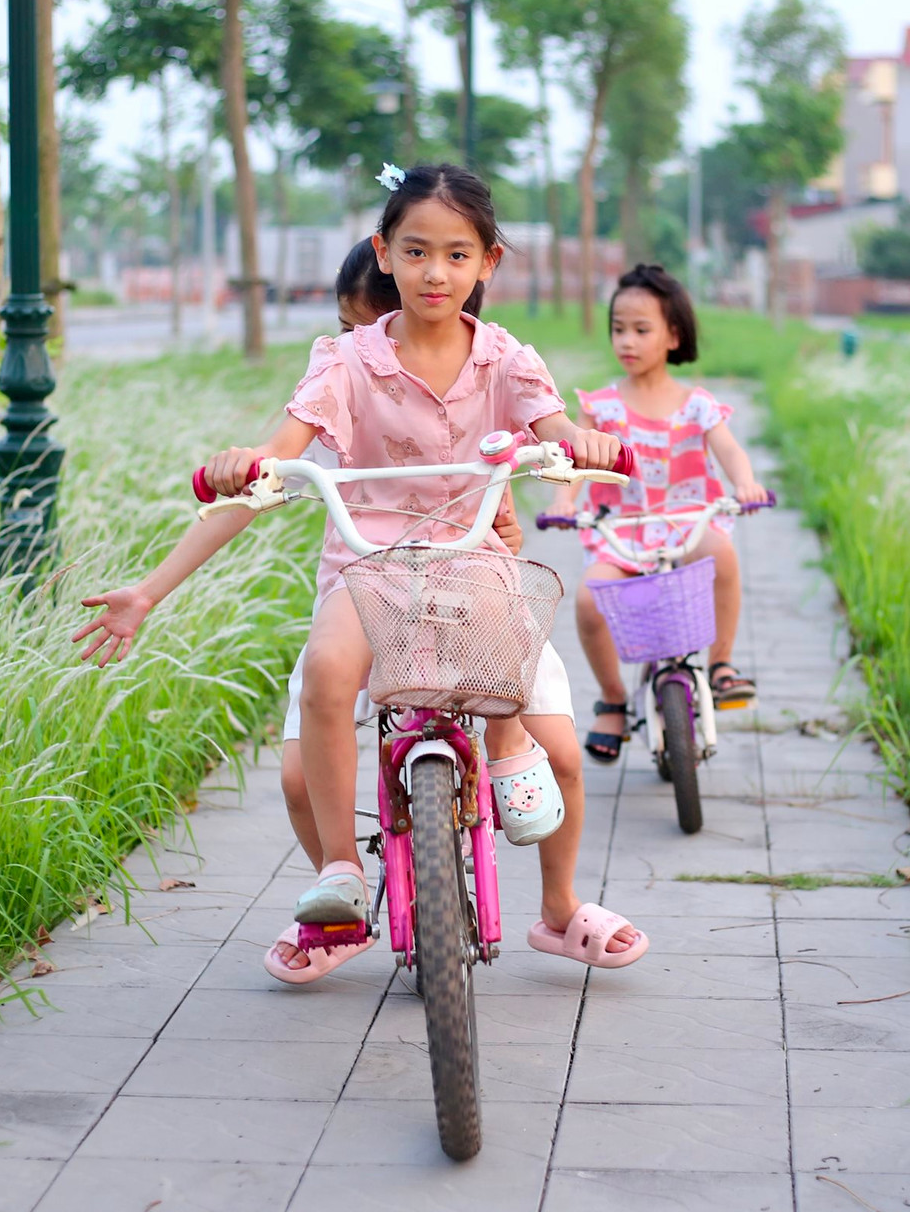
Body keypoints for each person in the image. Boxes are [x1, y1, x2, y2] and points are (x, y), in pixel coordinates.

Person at [74, 176, 648, 980]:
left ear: (489, 261)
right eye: (415, 252)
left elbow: (550, 423)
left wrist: (576, 440)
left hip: (471, 558)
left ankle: (527, 809)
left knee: (521, 670)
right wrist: (155, 583)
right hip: (368, 567)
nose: (435, 273)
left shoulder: (506, 358)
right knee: (328, 669)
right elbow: (278, 455)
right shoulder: (346, 360)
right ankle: (340, 871)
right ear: (386, 255)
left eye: (456, 255)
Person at [545, 264, 769, 764]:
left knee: (724, 556)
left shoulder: (697, 405)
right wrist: (565, 500)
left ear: (673, 335)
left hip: (686, 522)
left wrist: (746, 483)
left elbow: (729, 451)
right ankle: (613, 699)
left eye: (641, 330)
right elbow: (577, 462)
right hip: (623, 532)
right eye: (618, 329)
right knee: (588, 599)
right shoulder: (600, 407)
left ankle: (722, 664)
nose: (627, 340)